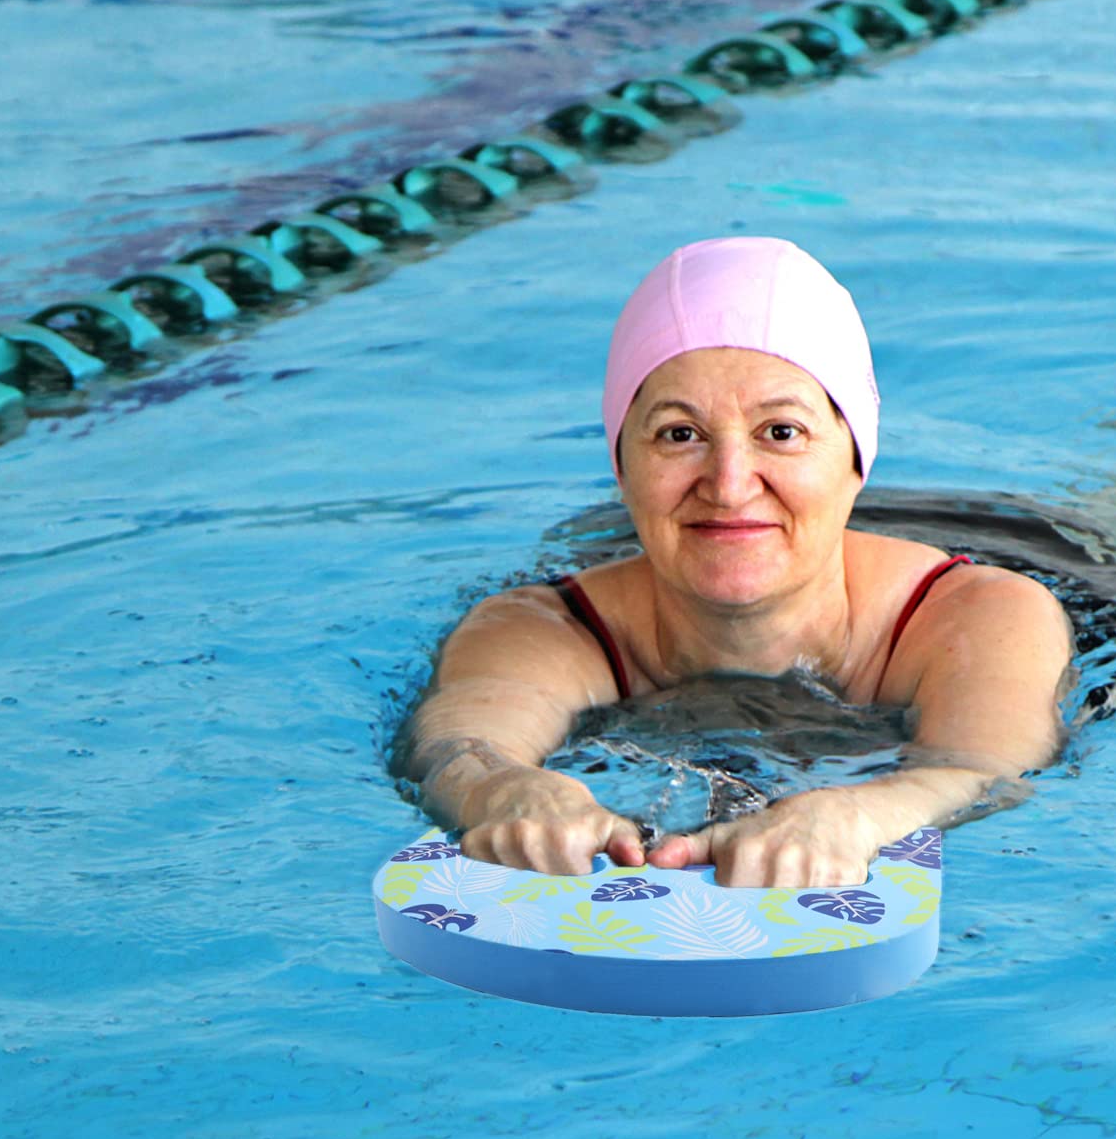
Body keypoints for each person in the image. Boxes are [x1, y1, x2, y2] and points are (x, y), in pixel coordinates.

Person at [406, 236, 1072, 887]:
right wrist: (505, 789)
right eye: (680, 434)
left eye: (781, 432)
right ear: (621, 465)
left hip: (1052, 543)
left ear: (855, 456)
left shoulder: (984, 615)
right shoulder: (542, 627)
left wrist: (858, 813)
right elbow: (456, 748)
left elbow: (984, 770)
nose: (728, 484)